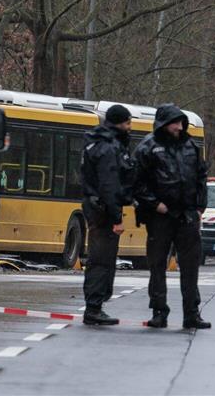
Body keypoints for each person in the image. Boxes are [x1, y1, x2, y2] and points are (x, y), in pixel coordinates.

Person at [133, 104, 210, 329]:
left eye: (180, 122)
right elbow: (136, 182)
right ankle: (159, 311)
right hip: (160, 216)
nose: (178, 127)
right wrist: (155, 205)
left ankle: (191, 313)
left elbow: (201, 176)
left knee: (190, 266)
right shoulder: (148, 147)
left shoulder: (190, 146)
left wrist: (199, 207)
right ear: (163, 124)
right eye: (174, 122)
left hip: (187, 214)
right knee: (157, 265)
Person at [81, 104, 136, 326]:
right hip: (104, 211)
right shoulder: (107, 148)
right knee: (102, 260)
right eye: (127, 123)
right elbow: (109, 184)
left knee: (100, 259)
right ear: (118, 123)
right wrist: (116, 218)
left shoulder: (94, 143)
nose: (130, 128)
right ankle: (94, 308)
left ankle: (96, 305)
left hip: (96, 207)